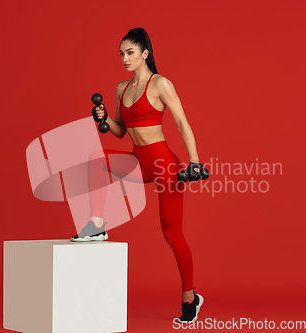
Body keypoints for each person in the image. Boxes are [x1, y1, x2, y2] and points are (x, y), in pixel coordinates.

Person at [71, 27, 205, 323]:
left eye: (130, 52)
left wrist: (194, 162)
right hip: (138, 160)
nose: (124, 58)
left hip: (164, 165)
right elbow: (120, 132)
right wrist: (105, 120)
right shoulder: (122, 88)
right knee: (97, 158)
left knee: (171, 233)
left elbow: (182, 123)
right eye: (121, 54)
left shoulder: (160, 84)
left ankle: (189, 295)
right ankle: (96, 225)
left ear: (145, 53)